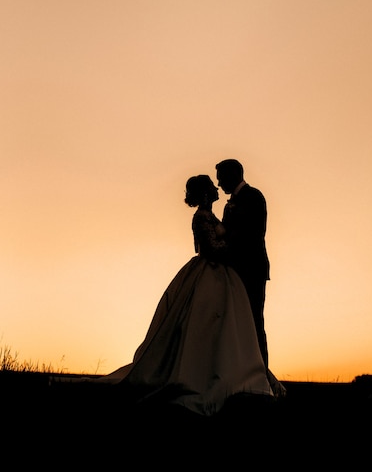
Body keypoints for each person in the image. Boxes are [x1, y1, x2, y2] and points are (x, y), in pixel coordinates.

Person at [91, 174, 277, 416]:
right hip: (209, 274)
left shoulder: (212, 214)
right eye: (212, 184)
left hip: (222, 276)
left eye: (217, 181)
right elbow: (210, 249)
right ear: (205, 193)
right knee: (204, 324)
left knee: (224, 327)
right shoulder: (201, 218)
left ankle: (228, 369)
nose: (217, 186)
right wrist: (233, 249)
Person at [215, 159, 271, 370]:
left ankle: (261, 372)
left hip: (251, 269)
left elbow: (250, 235)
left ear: (233, 175)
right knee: (237, 323)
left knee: (254, 321)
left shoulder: (253, 197)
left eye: (221, 178)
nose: (219, 184)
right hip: (234, 270)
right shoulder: (230, 204)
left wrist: (224, 248)